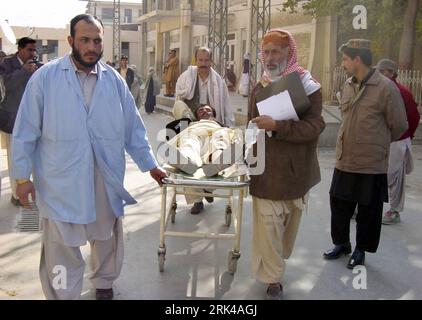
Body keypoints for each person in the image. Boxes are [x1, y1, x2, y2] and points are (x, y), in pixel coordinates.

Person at [11, 14, 167, 300]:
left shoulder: (114, 82)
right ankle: (63, 293)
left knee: (106, 234)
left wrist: (150, 165)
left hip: (104, 174)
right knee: (61, 244)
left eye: (97, 41)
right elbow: (25, 132)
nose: (91, 47)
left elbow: (133, 127)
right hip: (60, 179)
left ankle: (104, 282)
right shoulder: (46, 79)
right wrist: (22, 178)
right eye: (84, 40)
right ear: (70, 41)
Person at [248, 29, 325, 300]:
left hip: (295, 173)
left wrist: (278, 126)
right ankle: (273, 280)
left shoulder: (308, 86)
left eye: (276, 51)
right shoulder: (260, 86)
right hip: (265, 174)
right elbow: (251, 125)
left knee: (286, 234)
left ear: (289, 53)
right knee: (268, 229)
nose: (269, 58)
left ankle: (277, 265)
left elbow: (315, 126)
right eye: (266, 51)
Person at [323, 40, 408, 270]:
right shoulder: (348, 84)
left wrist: (376, 144)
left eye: (345, 59)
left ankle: (361, 250)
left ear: (357, 59)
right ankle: (342, 243)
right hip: (345, 158)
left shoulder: (386, 88)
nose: (342, 64)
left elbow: (399, 125)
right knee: (339, 204)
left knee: (368, 210)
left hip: (371, 163)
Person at [166, 104, 242, 213]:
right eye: (201, 110)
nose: (204, 111)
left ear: (214, 114)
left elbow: (233, 138)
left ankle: (217, 159)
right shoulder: (190, 124)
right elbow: (178, 108)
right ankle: (188, 161)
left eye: (208, 109)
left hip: (214, 133)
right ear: (196, 115)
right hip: (194, 133)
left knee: (219, 141)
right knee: (188, 143)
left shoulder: (222, 126)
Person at [375, 59, 420, 225]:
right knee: (374, 173)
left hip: (398, 139)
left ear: (392, 73)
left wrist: (406, 135)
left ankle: (394, 211)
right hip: (380, 139)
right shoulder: (378, 89)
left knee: (395, 177)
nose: (379, 74)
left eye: (383, 71)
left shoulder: (403, 92)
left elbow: (414, 116)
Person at [0, 37, 41, 207]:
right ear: (20, 49)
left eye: (34, 50)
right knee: (14, 157)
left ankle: (30, 188)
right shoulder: (6, 63)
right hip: (11, 119)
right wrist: (24, 71)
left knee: (32, 156)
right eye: (30, 50)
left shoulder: (36, 65)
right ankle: (17, 195)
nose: (33, 53)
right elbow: (4, 85)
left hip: (31, 120)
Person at [175, 47, 234, 126]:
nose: (203, 64)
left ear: (211, 62)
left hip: (210, 123)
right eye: (200, 60)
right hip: (191, 123)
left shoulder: (219, 82)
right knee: (179, 105)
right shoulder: (185, 78)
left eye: (206, 60)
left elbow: (227, 106)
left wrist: (229, 126)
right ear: (196, 61)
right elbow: (179, 103)